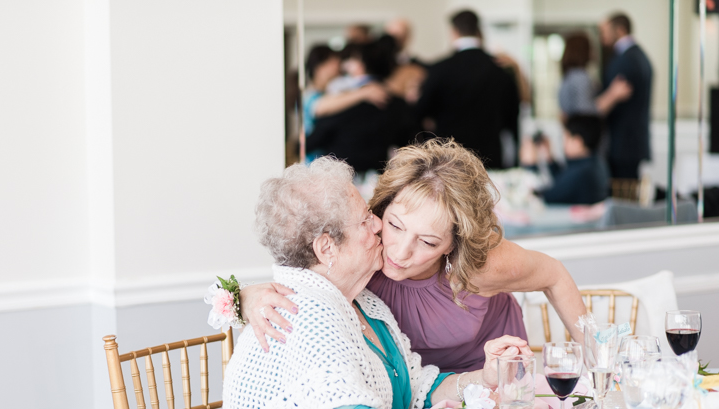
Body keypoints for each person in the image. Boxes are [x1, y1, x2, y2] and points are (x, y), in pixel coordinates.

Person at [196, 157, 530, 409]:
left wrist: (481, 380)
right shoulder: (301, 311)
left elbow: (420, 388)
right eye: (364, 220)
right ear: (326, 248)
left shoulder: (365, 306)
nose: (377, 224)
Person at [242, 139, 586, 373]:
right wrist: (246, 296)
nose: (400, 252)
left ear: (453, 244)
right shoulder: (361, 254)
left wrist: (600, 363)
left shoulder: (479, 267)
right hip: (410, 390)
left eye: (428, 242)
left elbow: (554, 274)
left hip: (490, 376)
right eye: (394, 225)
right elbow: (303, 281)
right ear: (381, 208)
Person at [415, 10, 520, 169]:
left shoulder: (439, 70)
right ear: (478, 31)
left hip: (449, 162)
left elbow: (419, 113)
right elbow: (513, 119)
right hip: (489, 160)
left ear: (453, 32)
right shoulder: (501, 72)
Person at [307, 40, 419, 176]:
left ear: (360, 65)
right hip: (379, 176)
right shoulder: (397, 103)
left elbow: (314, 139)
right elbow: (411, 143)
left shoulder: (341, 102)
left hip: (342, 176)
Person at [303, 45, 389, 163]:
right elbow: (320, 107)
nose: (339, 67)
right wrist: (364, 93)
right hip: (313, 162)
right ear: (320, 67)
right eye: (334, 62)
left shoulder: (331, 93)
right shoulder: (310, 96)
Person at [598, 13, 653, 179]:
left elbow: (615, 99)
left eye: (605, 32)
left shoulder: (625, 60)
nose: (603, 37)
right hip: (633, 142)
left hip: (623, 144)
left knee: (622, 199)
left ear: (620, 30)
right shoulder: (639, 56)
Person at [522, 115, 610, 205]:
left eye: (566, 138)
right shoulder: (594, 163)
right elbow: (562, 180)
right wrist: (549, 158)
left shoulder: (581, 172)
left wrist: (531, 165)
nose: (563, 143)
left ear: (577, 142)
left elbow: (545, 198)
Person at [559, 33, 633, 122]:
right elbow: (586, 114)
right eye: (590, 47)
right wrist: (613, 95)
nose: (593, 51)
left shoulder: (570, 75)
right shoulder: (579, 77)